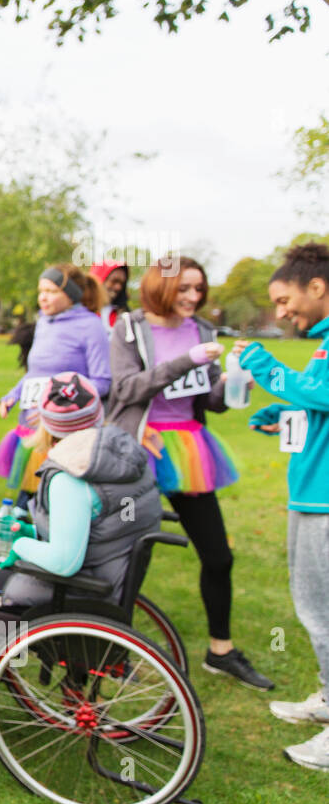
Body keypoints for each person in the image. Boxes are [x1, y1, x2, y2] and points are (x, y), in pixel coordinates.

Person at [0, 374, 159, 704]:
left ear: (47, 423)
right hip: (107, 574)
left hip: (72, 588)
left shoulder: (70, 476)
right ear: (97, 414)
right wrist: (28, 529)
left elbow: (64, 561)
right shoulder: (119, 454)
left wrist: (18, 544)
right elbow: (93, 524)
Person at [106, 257, 272, 690]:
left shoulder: (201, 329)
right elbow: (124, 389)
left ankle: (221, 651)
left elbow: (212, 399)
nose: (194, 298)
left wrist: (237, 382)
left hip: (192, 450)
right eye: (184, 289)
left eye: (199, 289)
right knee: (128, 557)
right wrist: (185, 361)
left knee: (218, 555)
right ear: (161, 286)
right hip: (140, 447)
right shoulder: (129, 327)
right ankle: (112, 653)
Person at [238, 242, 329, 770]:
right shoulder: (323, 344)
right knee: (312, 604)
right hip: (311, 494)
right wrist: (286, 409)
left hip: (325, 498)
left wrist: (263, 367)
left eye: (284, 299)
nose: (281, 313)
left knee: (323, 611)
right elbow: (318, 397)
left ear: (315, 287)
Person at [0, 263, 110, 495]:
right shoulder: (44, 322)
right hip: (32, 429)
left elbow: (102, 382)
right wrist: (12, 396)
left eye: (51, 292)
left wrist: (55, 408)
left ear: (72, 294)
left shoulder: (91, 326)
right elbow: (35, 373)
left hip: (65, 435)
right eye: (40, 291)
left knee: (49, 501)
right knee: (30, 503)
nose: (43, 298)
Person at [92, 261, 130, 330]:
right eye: (114, 281)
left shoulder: (125, 316)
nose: (118, 287)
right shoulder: (82, 313)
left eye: (122, 283)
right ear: (99, 279)